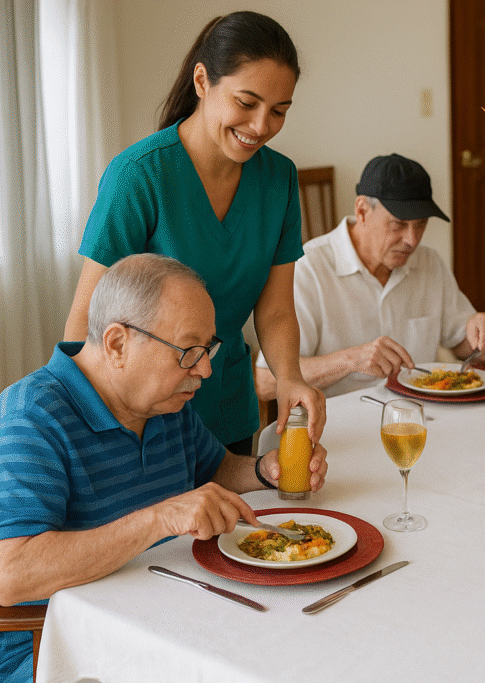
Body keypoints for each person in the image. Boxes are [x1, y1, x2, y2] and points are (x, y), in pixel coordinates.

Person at [0, 254, 328, 683]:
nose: (205, 369)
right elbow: (10, 574)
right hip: (61, 652)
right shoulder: (33, 417)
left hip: (169, 621)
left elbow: (214, 468)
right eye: (189, 351)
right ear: (117, 344)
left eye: (208, 348)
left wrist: (268, 470)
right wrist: (160, 518)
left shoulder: (165, 402)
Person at [62, 10, 325, 454]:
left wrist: (290, 378)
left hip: (227, 407)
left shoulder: (279, 180)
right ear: (202, 82)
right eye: (246, 103)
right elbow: (86, 322)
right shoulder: (139, 176)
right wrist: (85, 433)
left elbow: (276, 310)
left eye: (279, 111)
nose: (261, 126)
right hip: (139, 417)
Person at [254, 153, 485, 399]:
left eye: (421, 224)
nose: (412, 240)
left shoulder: (429, 263)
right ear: (362, 211)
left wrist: (484, 343)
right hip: (341, 426)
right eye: (398, 224)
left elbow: (462, 343)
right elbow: (265, 382)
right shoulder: (309, 267)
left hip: (421, 418)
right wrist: (350, 361)